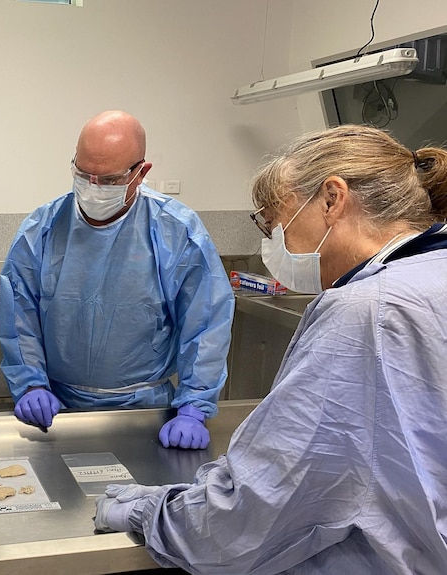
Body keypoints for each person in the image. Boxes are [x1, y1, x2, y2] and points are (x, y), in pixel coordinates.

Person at [94, 125, 447, 573]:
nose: (274, 241)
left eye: (274, 221)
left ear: (332, 199)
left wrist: (150, 512)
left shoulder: (364, 314)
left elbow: (250, 514)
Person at [0, 110, 234, 449]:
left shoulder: (176, 231)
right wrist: (31, 384)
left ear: (141, 173)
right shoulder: (42, 230)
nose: (93, 189)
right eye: (83, 175)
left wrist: (194, 407)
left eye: (108, 181)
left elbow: (206, 324)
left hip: (146, 413)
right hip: (57, 412)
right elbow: (20, 317)